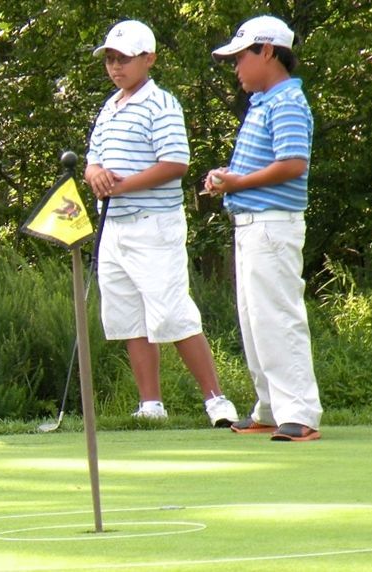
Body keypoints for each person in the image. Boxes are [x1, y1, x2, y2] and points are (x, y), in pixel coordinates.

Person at [85, 20, 239, 428]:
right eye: (111, 59)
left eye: (125, 59)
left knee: (172, 313)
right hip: (114, 227)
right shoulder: (110, 105)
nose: (116, 67)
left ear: (148, 59)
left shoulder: (162, 104)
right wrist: (95, 174)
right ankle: (151, 405)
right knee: (129, 317)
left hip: (154, 224)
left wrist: (121, 186)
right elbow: (93, 159)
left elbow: (175, 164)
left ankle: (217, 401)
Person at [205, 16, 323, 441]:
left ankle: (301, 413)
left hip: (273, 226)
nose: (236, 67)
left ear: (268, 52)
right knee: (255, 322)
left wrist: (238, 181)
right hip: (253, 226)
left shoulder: (287, 101)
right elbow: (267, 164)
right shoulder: (265, 102)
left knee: (278, 318)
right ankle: (271, 408)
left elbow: (293, 164)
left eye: (241, 57)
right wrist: (227, 176)